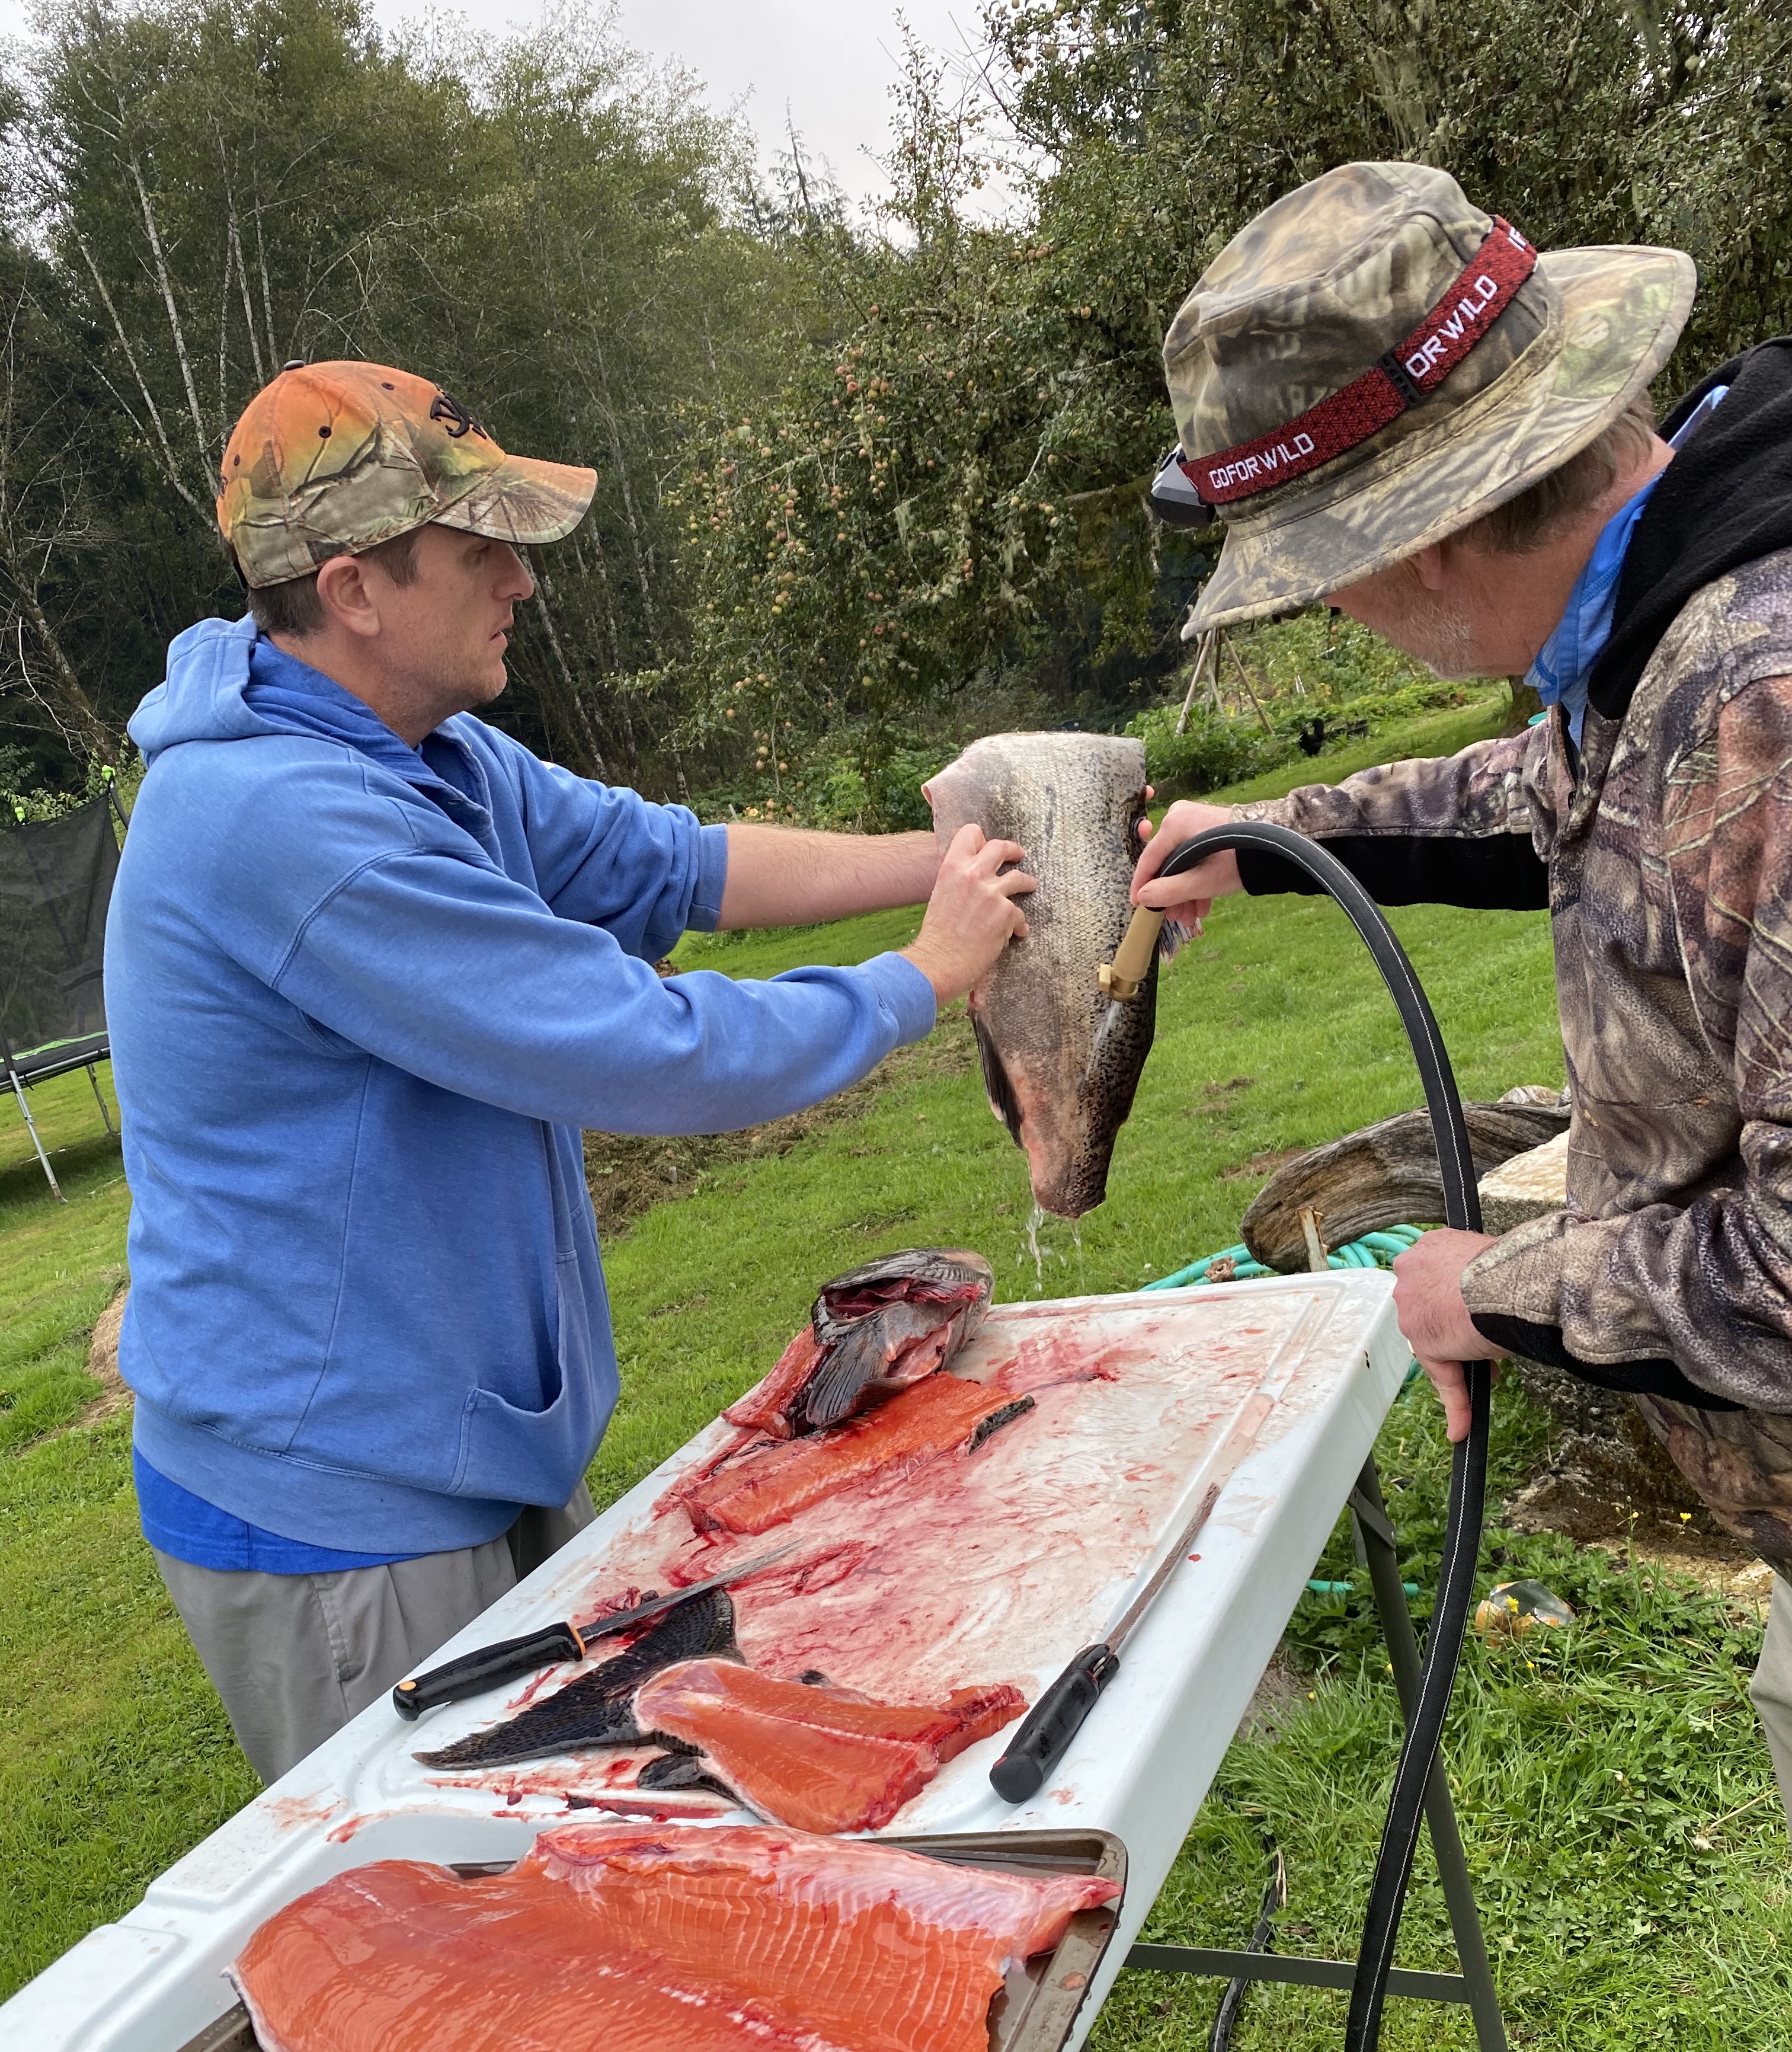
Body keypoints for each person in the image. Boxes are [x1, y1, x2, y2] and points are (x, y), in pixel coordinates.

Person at [107, 359, 1033, 1785]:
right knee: (466, 1898)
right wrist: (924, 977)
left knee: (559, 1822)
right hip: (341, 1503)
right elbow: (642, 1049)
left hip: (460, 1438)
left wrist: (970, 861)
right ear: (355, 590)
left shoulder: (434, 753)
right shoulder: (283, 821)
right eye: (483, 551)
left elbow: (678, 862)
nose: (520, 585)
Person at [1131, 159, 1792, 1820]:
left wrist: (1483, 1286)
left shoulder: (1764, 710)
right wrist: (1269, 837)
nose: (1332, 613)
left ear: (1418, 540)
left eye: (1317, 569)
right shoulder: (1657, 636)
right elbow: (1571, 805)